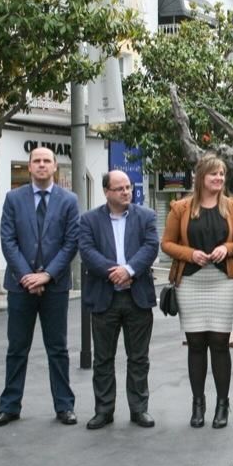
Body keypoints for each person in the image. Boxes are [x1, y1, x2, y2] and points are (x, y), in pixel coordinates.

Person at [0, 147, 79, 427]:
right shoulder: (13, 199)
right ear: (29, 167)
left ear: (55, 167)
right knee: (17, 348)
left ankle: (64, 406)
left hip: (55, 288)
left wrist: (47, 275)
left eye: (46, 161)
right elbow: (8, 240)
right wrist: (28, 275)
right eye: (36, 161)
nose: (41, 165)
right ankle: (10, 406)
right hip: (20, 286)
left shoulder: (69, 200)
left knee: (58, 349)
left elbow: (70, 243)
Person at [161, 153, 233, 429]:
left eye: (222, 174)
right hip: (191, 281)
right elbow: (167, 244)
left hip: (223, 281)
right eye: (214, 174)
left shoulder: (232, 207)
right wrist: (190, 253)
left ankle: (223, 404)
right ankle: (198, 403)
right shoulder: (181, 207)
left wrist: (228, 248)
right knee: (196, 344)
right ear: (201, 177)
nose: (219, 179)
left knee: (220, 343)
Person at [79, 171, 159, 430]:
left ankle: (139, 409)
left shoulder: (146, 216)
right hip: (105, 296)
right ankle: (103, 410)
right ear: (106, 192)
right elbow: (87, 251)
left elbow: (150, 246)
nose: (126, 192)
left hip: (137, 296)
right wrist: (115, 271)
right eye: (119, 188)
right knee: (103, 358)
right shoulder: (89, 220)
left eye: (128, 187)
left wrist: (130, 270)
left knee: (139, 358)